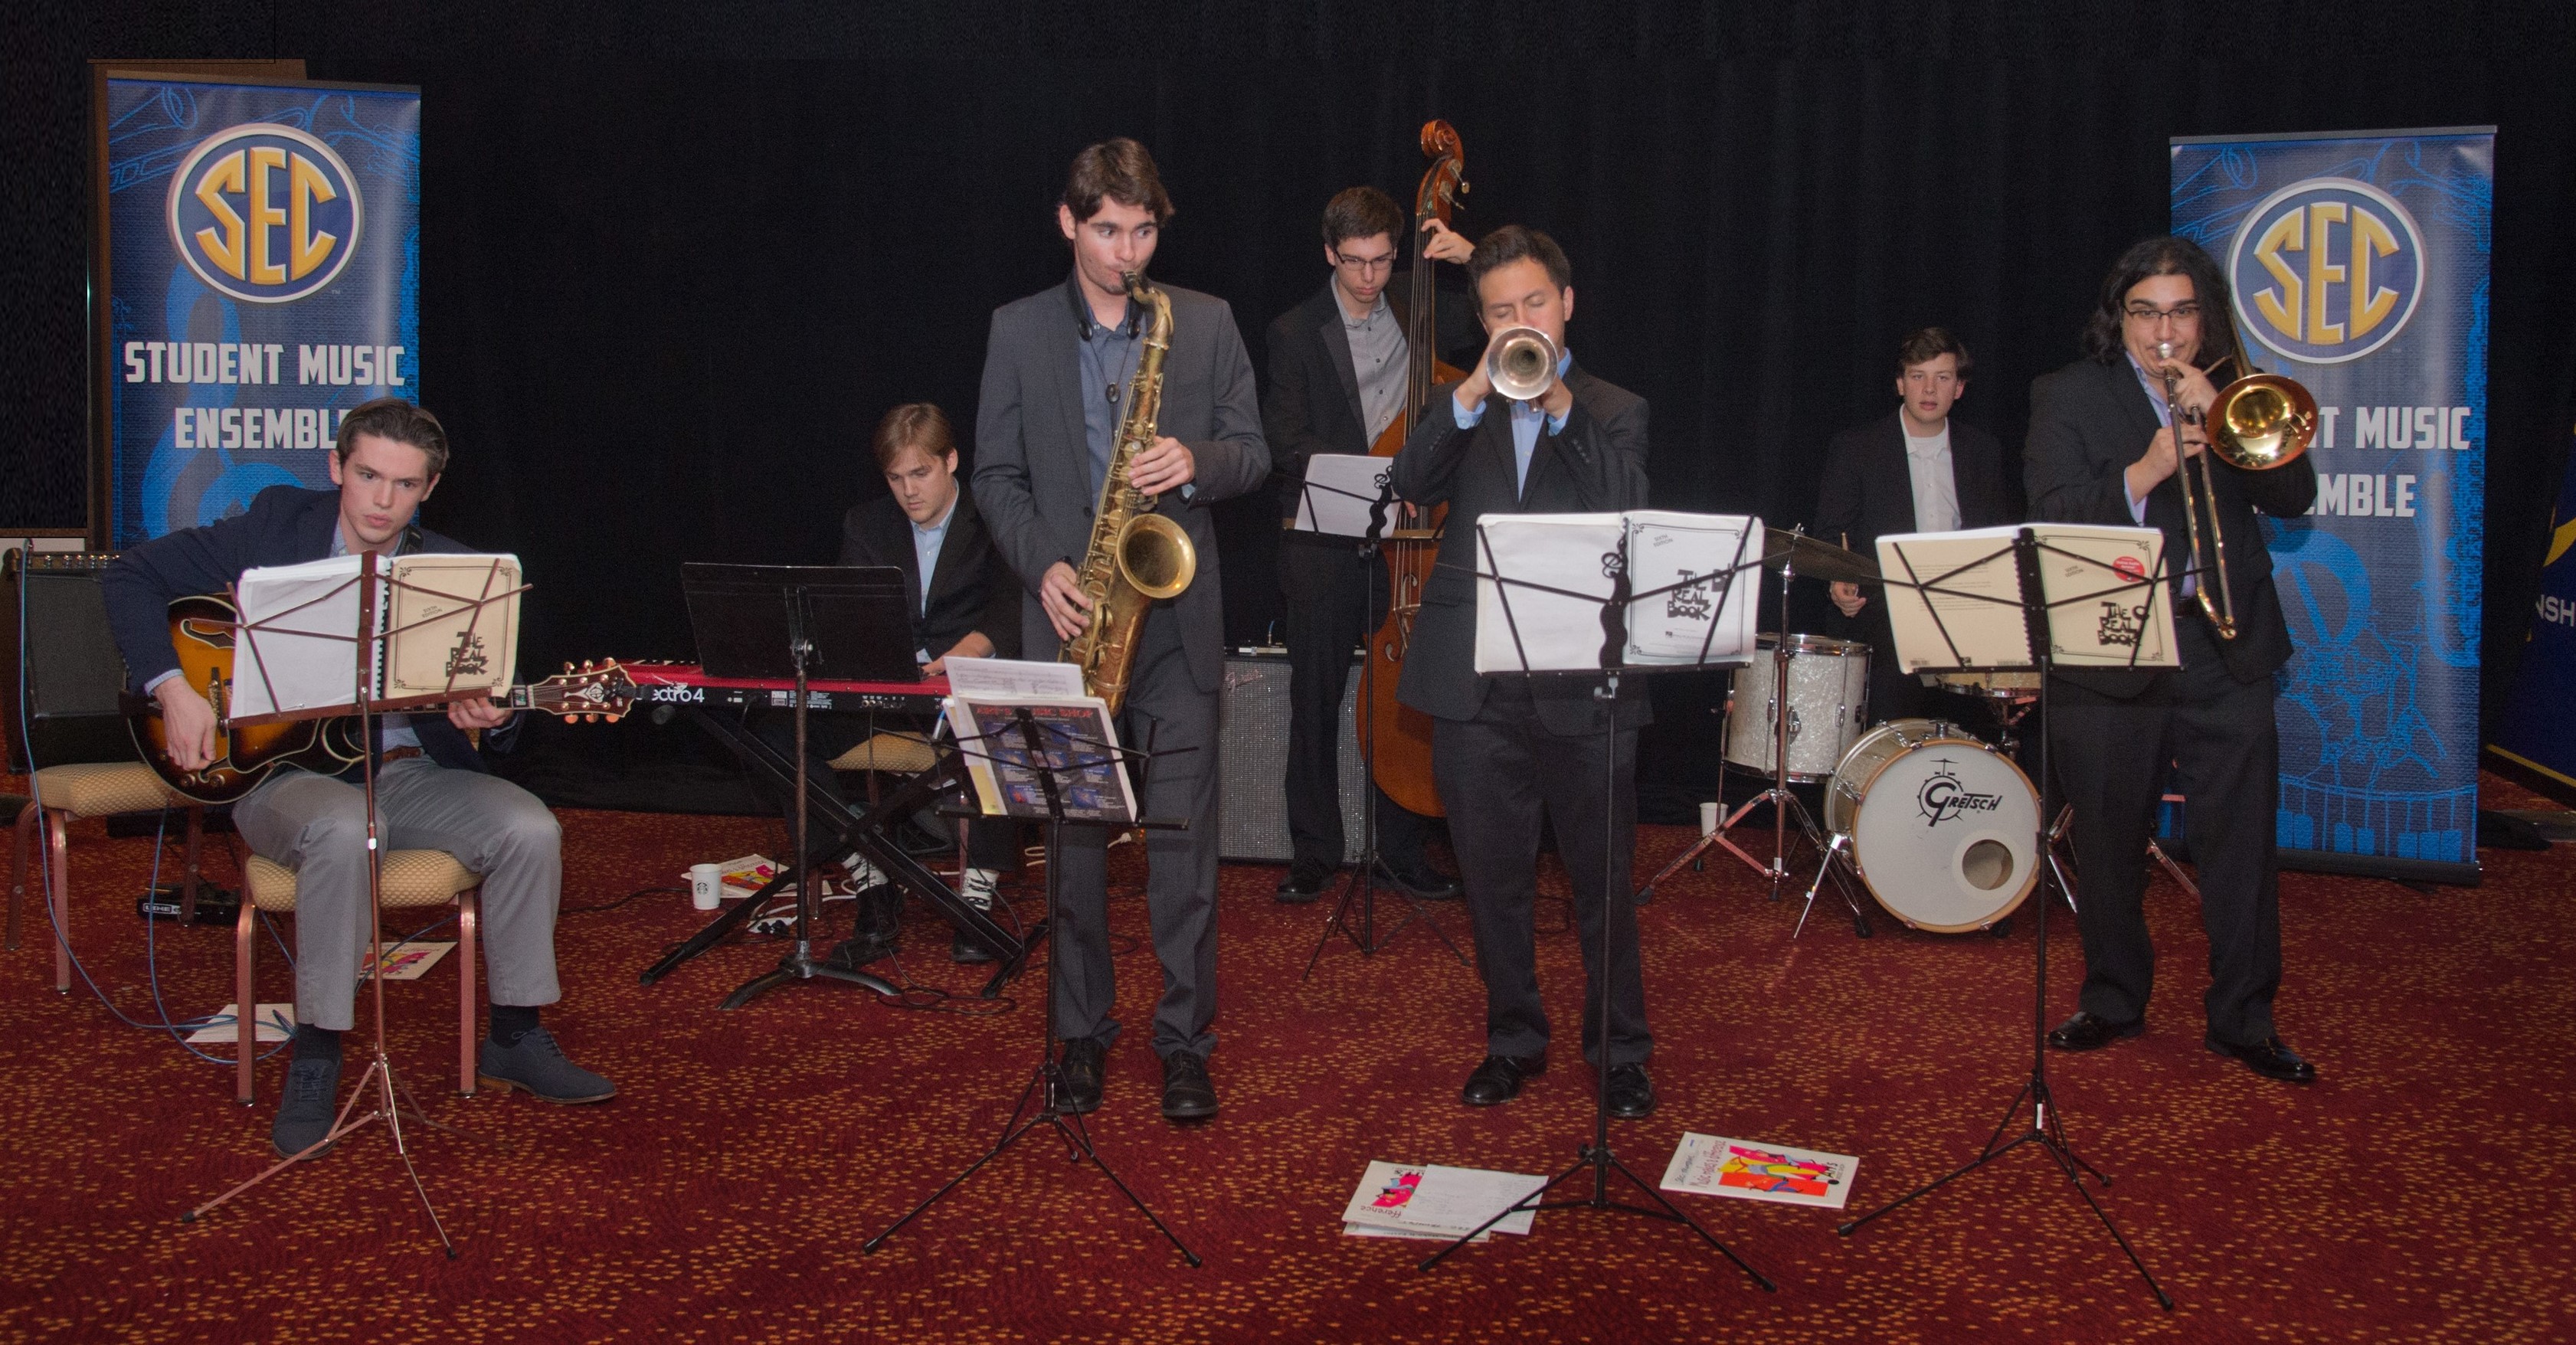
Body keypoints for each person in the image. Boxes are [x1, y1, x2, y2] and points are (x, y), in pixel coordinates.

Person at [99, 398, 614, 1158]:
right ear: (336, 467)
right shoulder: (275, 526)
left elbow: (493, 717)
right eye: (368, 475)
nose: (382, 500)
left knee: (530, 827)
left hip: (409, 771)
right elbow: (131, 575)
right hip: (282, 777)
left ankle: (515, 1034)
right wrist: (172, 688)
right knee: (346, 825)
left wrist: (494, 716)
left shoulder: (458, 576)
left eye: (404, 485)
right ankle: (317, 1051)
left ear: (429, 489)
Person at [972, 138, 1269, 1121]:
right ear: (1069, 222)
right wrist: (1044, 566)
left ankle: (1185, 1042)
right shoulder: (1017, 329)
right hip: (1071, 621)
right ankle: (1081, 1033)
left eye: (1143, 232)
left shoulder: (1205, 320)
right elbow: (994, 477)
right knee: (1074, 850)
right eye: (1107, 231)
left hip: (1176, 622)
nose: (1127, 253)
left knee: (1185, 850)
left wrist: (1197, 462)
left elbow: (1254, 453)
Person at [2024, 235, 2319, 1084]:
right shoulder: (2068, 393)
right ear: (2119, 319)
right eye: (2147, 313)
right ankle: (2114, 998)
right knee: (2108, 841)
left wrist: (2222, 413)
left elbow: (2294, 497)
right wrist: (2147, 468)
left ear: (2204, 317)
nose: (2166, 331)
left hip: (2224, 646)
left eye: (2182, 312)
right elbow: (2052, 508)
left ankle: (2244, 1019)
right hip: (2111, 645)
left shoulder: (2234, 388)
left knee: (2241, 845)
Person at [1388, 225, 1656, 1117]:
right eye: (1501, 312)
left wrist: (1560, 404)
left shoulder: (1614, 406)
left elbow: (1629, 501)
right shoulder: (1465, 407)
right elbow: (1410, 479)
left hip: (1587, 684)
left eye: (1534, 304)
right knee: (1491, 881)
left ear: (1566, 304)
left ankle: (1620, 1049)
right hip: (1476, 687)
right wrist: (1471, 393)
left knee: (1602, 883)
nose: (1520, 323)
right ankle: (1513, 1038)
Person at [1260, 185, 1478, 905]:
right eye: (1354, 261)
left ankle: (1402, 850)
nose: (1368, 277)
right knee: (1315, 699)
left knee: (1405, 699)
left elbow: (1512, 313)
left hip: (1414, 541)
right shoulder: (1295, 331)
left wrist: (1471, 258)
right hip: (1327, 538)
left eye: (1382, 261)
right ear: (1330, 253)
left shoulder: (1422, 301)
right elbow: (1286, 439)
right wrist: (1380, 473)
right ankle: (1314, 852)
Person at [758, 403, 1023, 964]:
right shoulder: (866, 524)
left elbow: (1013, 606)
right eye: (896, 478)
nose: (909, 491)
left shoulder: (994, 516)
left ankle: (978, 891)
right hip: (888, 698)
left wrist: (964, 653)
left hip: (965, 685)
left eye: (920, 474)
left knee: (1002, 722)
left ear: (951, 461)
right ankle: (868, 872)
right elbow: (843, 615)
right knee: (777, 731)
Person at [1813, 326, 2016, 724]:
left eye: (1943, 378)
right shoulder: (1857, 448)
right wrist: (1839, 581)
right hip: (1886, 611)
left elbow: (1999, 537)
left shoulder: (1983, 451)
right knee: (1894, 706)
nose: (1929, 389)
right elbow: (1831, 535)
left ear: (1959, 388)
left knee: (1977, 721)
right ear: (1900, 384)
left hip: (1964, 608)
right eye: (1918, 376)